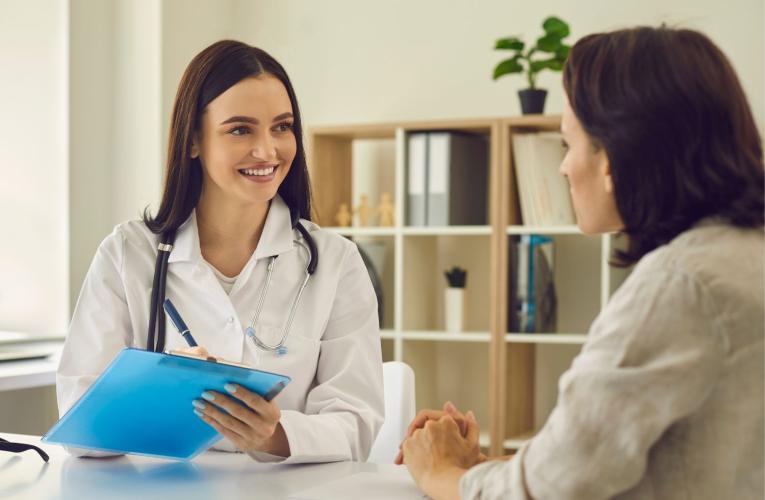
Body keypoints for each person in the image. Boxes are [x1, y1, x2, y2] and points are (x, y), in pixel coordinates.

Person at [398, 26, 764, 499]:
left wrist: (441, 472)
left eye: (568, 144)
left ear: (611, 158)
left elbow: (545, 494)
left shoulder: (678, 287)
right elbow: (607, 462)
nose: (562, 167)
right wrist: (483, 467)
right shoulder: (742, 256)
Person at [57, 40, 384, 463]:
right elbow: (79, 433)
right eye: (240, 129)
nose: (267, 151)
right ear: (193, 140)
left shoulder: (336, 262)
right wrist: (160, 388)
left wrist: (274, 433)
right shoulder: (127, 253)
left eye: (282, 127)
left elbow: (357, 423)